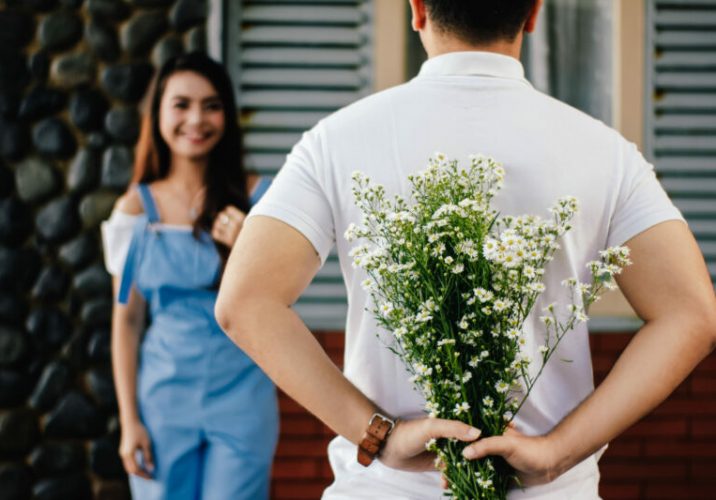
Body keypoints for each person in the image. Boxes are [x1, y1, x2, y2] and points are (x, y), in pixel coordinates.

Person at [214, 1, 716, 498]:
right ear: (533, 13)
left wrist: (378, 435)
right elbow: (692, 314)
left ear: (416, 10)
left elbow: (245, 302)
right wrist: (558, 451)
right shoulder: (605, 151)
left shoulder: (337, 140)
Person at [101, 52, 278, 499]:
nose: (196, 119)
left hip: (244, 397)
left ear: (228, 115)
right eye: (181, 104)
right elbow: (126, 321)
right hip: (162, 401)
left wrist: (247, 250)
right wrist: (129, 422)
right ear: (158, 111)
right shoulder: (136, 209)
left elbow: (284, 303)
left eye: (212, 105)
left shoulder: (261, 199)